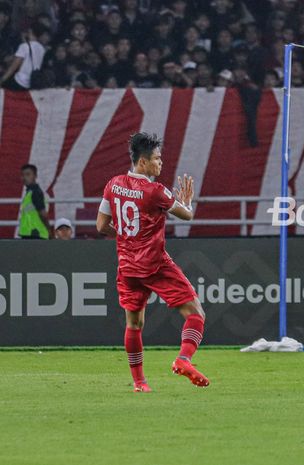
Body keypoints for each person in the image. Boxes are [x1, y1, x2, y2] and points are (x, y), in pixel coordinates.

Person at [96, 133, 209, 392]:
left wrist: (127, 237)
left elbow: (101, 226)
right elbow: (187, 216)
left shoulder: (112, 184)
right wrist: (187, 201)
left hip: (127, 267)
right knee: (196, 313)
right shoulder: (155, 191)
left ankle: (139, 383)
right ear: (143, 162)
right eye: (157, 159)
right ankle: (183, 359)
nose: (161, 164)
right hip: (155, 265)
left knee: (134, 324)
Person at [0, 23, 45, 90]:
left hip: (19, 81)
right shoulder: (42, 48)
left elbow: (13, 67)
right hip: (31, 83)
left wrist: (2, 80)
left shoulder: (24, 46)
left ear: (30, 31)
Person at [19, 164, 50, 239]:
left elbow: (43, 214)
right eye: (23, 175)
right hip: (29, 233)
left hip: (36, 234)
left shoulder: (35, 192)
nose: (25, 177)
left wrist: (50, 232)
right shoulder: (29, 192)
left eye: (28, 174)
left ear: (35, 176)